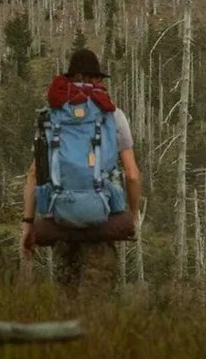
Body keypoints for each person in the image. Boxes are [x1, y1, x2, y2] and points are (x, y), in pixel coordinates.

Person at [21, 48, 142, 294]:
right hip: (103, 224)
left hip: (62, 223)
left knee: (66, 304)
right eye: (96, 78)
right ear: (90, 79)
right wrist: (133, 213)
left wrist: (27, 224)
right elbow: (132, 174)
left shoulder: (51, 116)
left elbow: (35, 172)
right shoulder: (113, 115)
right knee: (95, 313)